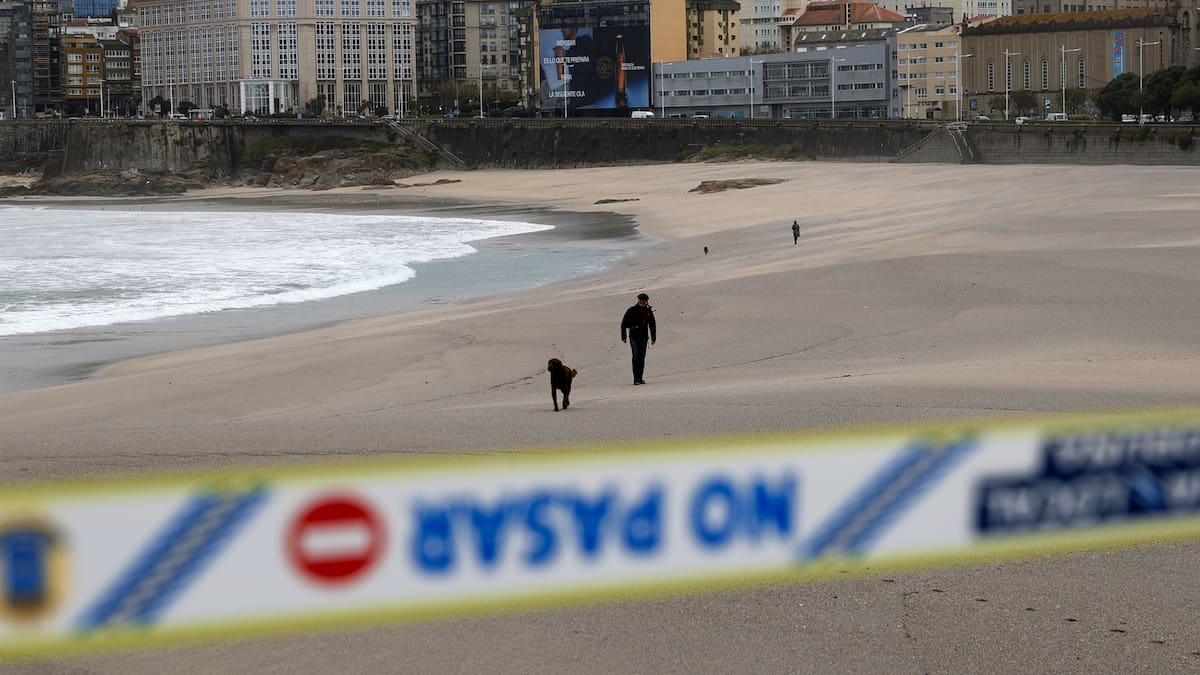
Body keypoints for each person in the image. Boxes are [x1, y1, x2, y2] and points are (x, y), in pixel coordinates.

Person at [620, 292, 657, 385]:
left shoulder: (648, 311)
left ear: (647, 301)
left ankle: (640, 378)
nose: (642, 301)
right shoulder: (631, 310)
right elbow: (623, 324)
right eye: (641, 300)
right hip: (633, 337)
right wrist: (623, 336)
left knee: (642, 357)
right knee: (636, 357)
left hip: (644, 337)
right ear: (638, 300)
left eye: (644, 300)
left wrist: (653, 337)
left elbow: (652, 325)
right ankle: (635, 379)